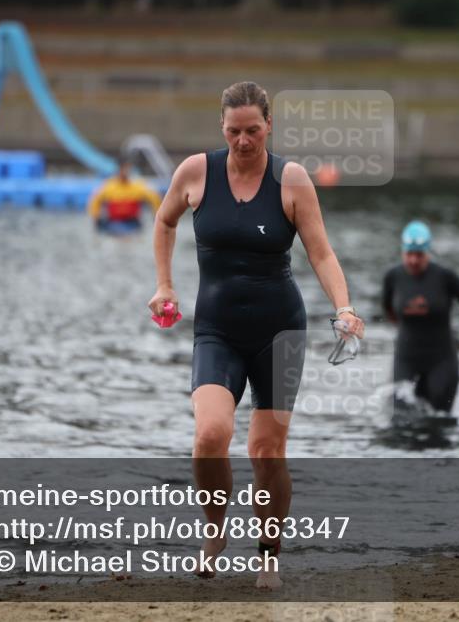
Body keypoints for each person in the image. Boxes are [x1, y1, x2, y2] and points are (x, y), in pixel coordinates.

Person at [148, 81, 364, 588]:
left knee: (266, 452)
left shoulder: (291, 180)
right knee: (209, 436)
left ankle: (268, 551)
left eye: (252, 130)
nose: (243, 141)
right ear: (221, 129)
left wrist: (344, 307)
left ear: (269, 126)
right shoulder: (196, 171)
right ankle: (216, 530)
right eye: (233, 131)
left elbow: (321, 252)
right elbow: (163, 222)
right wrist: (163, 285)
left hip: (280, 331)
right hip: (217, 330)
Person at [383, 220, 459, 414]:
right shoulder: (393, 277)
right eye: (409, 254)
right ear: (402, 252)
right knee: (399, 417)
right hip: (406, 358)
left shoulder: (445, 277)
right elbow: (389, 311)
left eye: (419, 255)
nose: (414, 261)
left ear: (428, 253)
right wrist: (406, 330)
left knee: (437, 421)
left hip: (441, 360)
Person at [86, 161, 161, 234]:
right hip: (113, 221)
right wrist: (96, 216)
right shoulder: (109, 185)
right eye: (123, 169)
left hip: (132, 222)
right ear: (119, 170)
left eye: (127, 169)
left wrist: (156, 215)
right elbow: (95, 199)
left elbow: (154, 197)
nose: (125, 172)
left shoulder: (138, 185)